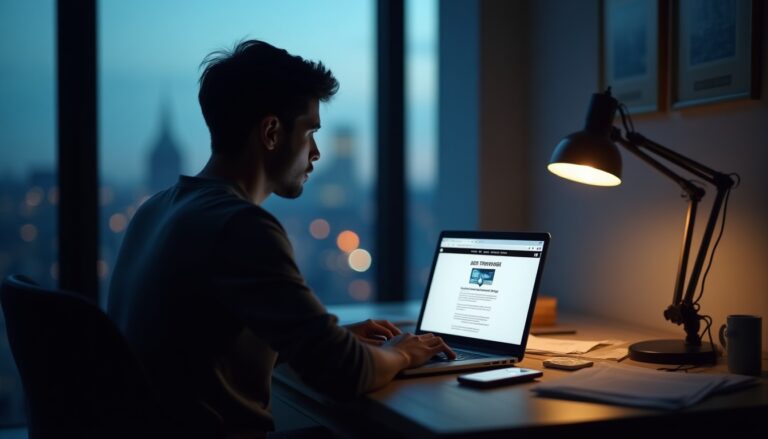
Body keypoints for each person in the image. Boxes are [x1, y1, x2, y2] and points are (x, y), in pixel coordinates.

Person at [108, 39, 454, 438]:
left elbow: (198, 347)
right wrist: (403, 354)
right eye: (309, 132)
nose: (317, 152)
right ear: (271, 132)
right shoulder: (239, 226)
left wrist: (328, 340)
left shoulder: (156, 209)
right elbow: (345, 373)